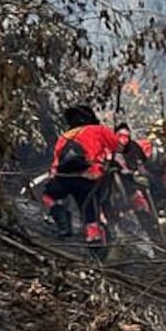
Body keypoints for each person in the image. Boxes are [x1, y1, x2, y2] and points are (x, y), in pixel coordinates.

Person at [41, 104, 121, 245]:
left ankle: (64, 225)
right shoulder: (99, 130)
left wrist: (53, 178)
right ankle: (95, 242)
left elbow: (56, 165)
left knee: (49, 196)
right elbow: (118, 146)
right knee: (90, 212)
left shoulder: (64, 137)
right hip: (90, 178)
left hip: (65, 179)